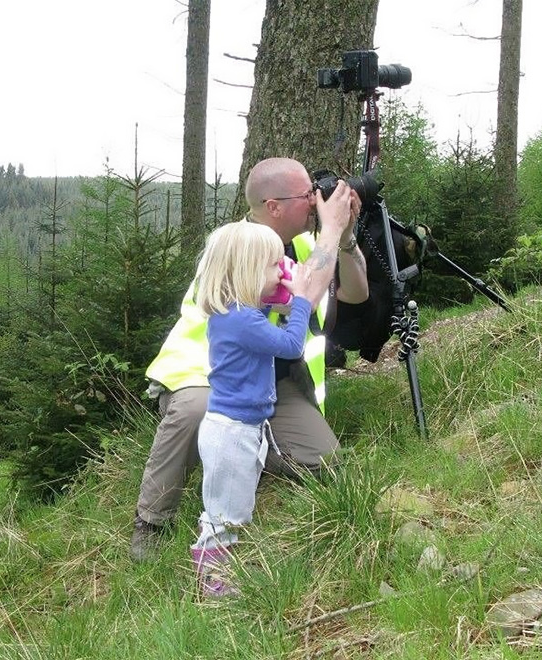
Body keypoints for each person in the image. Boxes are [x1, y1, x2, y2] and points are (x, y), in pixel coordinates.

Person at [130, 157, 368, 561]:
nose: (316, 200)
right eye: (306, 195)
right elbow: (306, 292)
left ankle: (251, 452)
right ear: (273, 206)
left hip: (274, 385)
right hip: (208, 377)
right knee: (195, 410)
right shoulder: (234, 249)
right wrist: (330, 230)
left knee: (326, 463)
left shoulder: (306, 245)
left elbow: (357, 294)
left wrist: (343, 237)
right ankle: (152, 520)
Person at [189, 221, 317, 596]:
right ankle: (214, 582)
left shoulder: (234, 313)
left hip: (235, 428)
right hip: (233, 433)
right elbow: (292, 345)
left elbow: (263, 313)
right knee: (227, 513)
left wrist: (281, 297)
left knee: (228, 505)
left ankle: (218, 565)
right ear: (247, 271)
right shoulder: (243, 320)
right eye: (274, 265)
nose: (281, 271)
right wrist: (302, 301)